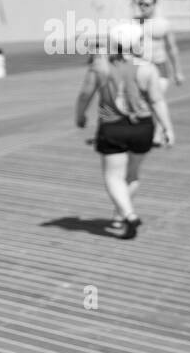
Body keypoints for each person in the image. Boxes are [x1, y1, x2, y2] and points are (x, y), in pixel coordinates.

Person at [74, 24, 175, 239]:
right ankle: (120, 217)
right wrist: (168, 128)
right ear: (135, 43)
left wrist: (80, 116)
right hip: (143, 127)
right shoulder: (148, 68)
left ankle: (128, 215)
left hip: (113, 126)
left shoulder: (100, 67)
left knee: (113, 176)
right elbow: (157, 100)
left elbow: (85, 95)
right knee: (132, 174)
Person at [134, 0, 183, 91]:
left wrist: (177, 72)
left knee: (156, 100)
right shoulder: (134, 22)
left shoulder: (164, 24)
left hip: (158, 66)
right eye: (140, 4)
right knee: (140, 104)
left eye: (146, 5)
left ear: (154, 5)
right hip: (139, 67)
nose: (142, 7)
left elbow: (172, 48)